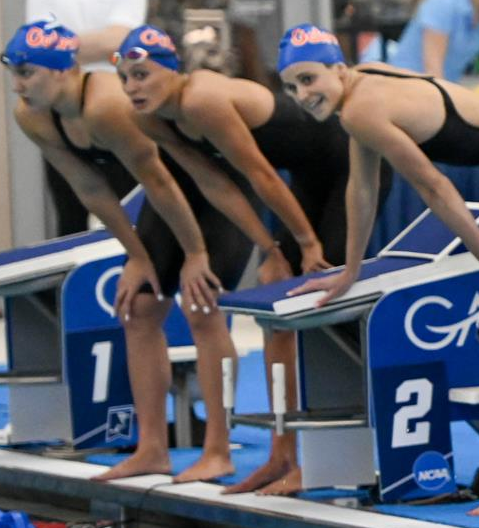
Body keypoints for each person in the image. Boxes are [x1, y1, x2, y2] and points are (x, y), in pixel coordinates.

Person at [279, 25, 479, 517]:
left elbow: (436, 188)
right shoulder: (362, 88)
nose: (302, 95)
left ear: (338, 69)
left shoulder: (362, 109)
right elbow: (361, 190)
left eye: (309, 78)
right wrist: (349, 270)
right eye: (291, 86)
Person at [115, 29, 379, 495]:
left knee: (317, 311)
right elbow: (217, 186)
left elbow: (259, 175)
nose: (132, 87)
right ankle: (283, 456)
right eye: (123, 78)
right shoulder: (152, 119)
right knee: (277, 319)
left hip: (344, 168)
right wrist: (272, 250)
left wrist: (306, 244)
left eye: (141, 74)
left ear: (171, 69)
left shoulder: (202, 100)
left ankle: (327, 459)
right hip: (305, 180)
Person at [3, 21, 260, 483]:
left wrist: (196, 253)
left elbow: (162, 180)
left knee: (202, 308)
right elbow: (91, 188)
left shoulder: (105, 107)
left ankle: (219, 449)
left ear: (65, 71)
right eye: (15, 74)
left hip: (215, 184)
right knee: (138, 308)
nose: (18, 85)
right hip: (167, 194)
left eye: (27, 73)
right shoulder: (32, 115)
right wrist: (138, 256)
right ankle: (151, 448)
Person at [26, 0, 150, 235]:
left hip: (115, 107)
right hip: (62, 110)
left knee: (127, 204)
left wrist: (61, 44)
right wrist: (95, 41)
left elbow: (119, 39)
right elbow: (37, 52)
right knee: (70, 212)